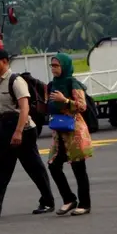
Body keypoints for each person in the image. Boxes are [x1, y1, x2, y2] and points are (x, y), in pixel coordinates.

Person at [0, 49, 55, 219]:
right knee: (2, 168)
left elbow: (24, 108)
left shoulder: (16, 81)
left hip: (22, 128)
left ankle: (48, 201)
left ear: (4, 61)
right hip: (6, 128)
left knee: (34, 167)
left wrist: (18, 132)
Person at [46, 53, 94, 216]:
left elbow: (82, 106)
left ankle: (85, 204)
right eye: (52, 65)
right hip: (59, 132)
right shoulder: (53, 84)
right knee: (53, 165)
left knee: (78, 168)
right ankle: (69, 199)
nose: (53, 68)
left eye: (56, 65)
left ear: (64, 66)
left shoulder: (73, 83)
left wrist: (65, 100)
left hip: (74, 131)